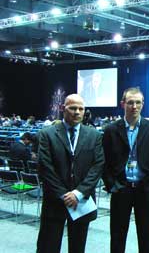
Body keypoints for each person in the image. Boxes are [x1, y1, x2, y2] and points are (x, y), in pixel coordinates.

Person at [36, 94, 104, 253]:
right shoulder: (47, 134)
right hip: (55, 200)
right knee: (48, 247)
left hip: (82, 201)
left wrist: (78, 193)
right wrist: (64, 194)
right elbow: (45, 168)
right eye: (73, 108)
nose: (77, 112)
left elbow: (98, 166)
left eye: (81, 109)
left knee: (77, 247)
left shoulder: (94, 135)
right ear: (62, 108)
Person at [102, 87, 149, 253]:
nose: (134, 106)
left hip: (144, 189)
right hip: (121, 188)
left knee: (146, 237)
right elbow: (104, 161)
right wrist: (111, 185)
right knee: (117, 236)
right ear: (123, 104)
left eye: (138, 102)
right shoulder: (111, 130)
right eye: (130, 102)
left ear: (143, 104)